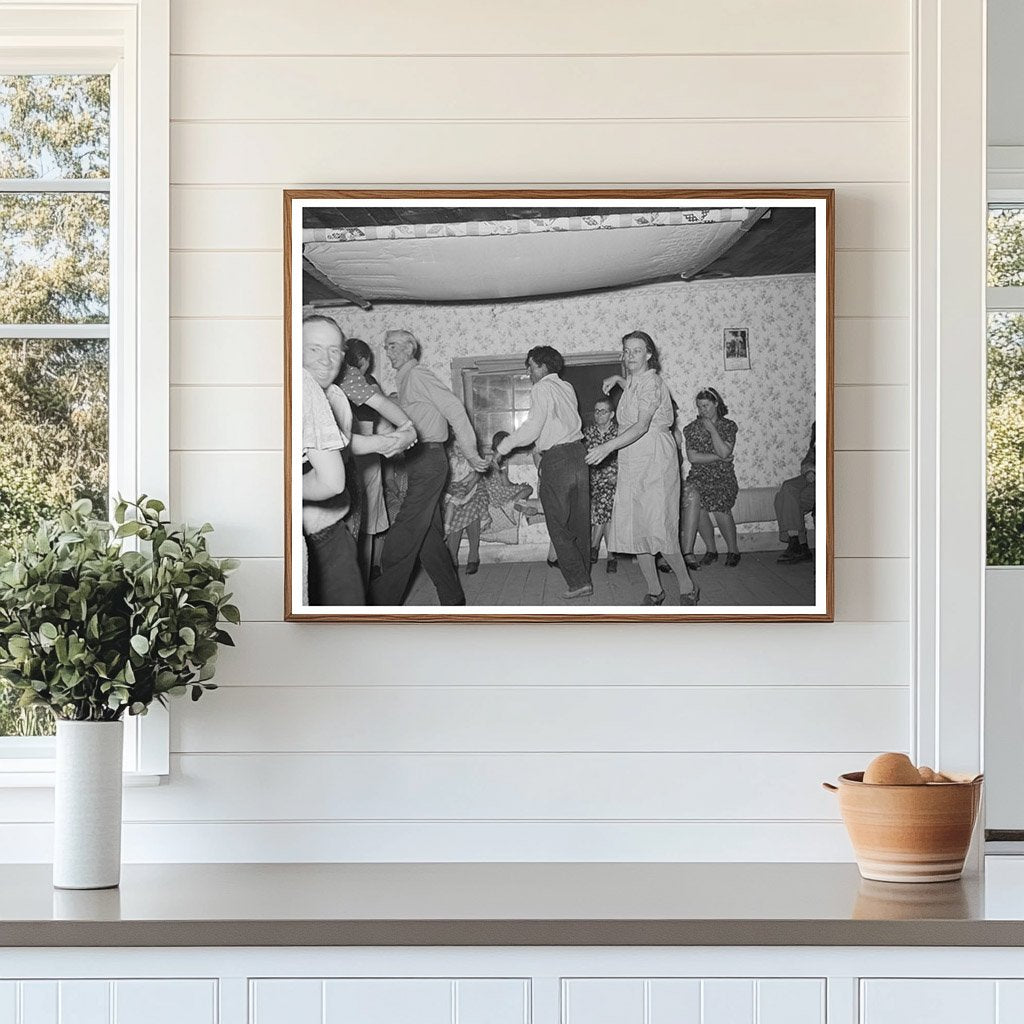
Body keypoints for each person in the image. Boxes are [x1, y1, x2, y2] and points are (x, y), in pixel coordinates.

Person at [370, 329, 489, 606]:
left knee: (405, 531)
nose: (388, 352)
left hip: (430, 460)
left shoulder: (417, 375)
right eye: (386, 347)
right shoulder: (405, 380)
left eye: (394, 346)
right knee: (429, 538)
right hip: (419, 460)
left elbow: (455, 409)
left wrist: (471, 453)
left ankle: (379, 604)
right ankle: (453, 599)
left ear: (410, 348)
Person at [300, 317, 410, 605]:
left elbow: (344, 444)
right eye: (313, 349)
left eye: (334, 351)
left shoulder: (336, 392)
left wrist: (393, 439)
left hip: (331, 528)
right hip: (297, 531)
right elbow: (331, 478)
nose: (326, 360)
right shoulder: (294, 389)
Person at [585, 331, 699, 606]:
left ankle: (687, 586)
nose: (630, 356)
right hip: (632, 457)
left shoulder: (653, 382)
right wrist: (620, 380)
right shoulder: (635, 382)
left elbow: (642, 425)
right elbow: (635, 395)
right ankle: (655, 589)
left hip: (654, 458)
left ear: (649, 354)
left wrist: (606, 447)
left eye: (637, 350)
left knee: (660, 526)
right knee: (637, 528)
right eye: (626, 351)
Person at [495, 345, 592, 599]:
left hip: (558, 460)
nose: (528, 371)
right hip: (579, 455)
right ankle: (584, 578)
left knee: (557, 524)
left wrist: (503, 448)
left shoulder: (541, 388)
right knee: (579, 524)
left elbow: (532, 427)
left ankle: (578, 582)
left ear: (541, 365)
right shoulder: (566, 387)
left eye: (530, 365)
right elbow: (558, 423)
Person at [337, 337, 416, 583]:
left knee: (352, 517)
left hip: (353, 452)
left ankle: (358, 574)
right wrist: (397, 437)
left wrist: (404, 430)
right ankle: (369, 569)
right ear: (364, 360)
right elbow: (382, 423)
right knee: (367, 517)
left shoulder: (349, 379)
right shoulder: (365, 381)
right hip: (364, 454)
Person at [682, 386, 741, 568]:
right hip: (699, 476)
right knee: (696, 507)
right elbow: (693, 457)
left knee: (720, 507)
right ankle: (711, 550)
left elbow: (725, 450)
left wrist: (712, 430)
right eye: (699, 406)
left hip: (723, 476)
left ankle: (733, 550)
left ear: (716, 404)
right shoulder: (691, 428)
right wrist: (719, 457)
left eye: (706, 406)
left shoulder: (728, 426)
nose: (702, 410)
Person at [583, 396, 619, 573]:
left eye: (603, 411)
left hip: (616, 482)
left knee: (605, 500)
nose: (598, 415)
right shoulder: (587, 433)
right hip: (593, 482)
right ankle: (611, 555)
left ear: (612, 414)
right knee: (606, 505)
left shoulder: (620, 433)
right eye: (596, 411)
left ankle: (594, 546)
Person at [444, 444, 491, 574]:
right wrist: (452, 488)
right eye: (456, 448)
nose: (459, 450)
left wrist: (464, 491)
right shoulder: (450, 461)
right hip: (454, 491)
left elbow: (475, 479)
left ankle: (473, 556)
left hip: (474, 490)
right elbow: (446, 480)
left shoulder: (472, 461)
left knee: (471, 507)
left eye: (462, 447)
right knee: (454, 509)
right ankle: (452, 557)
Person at [775, 422, 816, 563]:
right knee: (786, 491)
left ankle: (798, 545)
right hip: (814, 476)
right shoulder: (818, 425)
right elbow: (809, 457)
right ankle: (799, 544)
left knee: (783, 499)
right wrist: (810, 469)